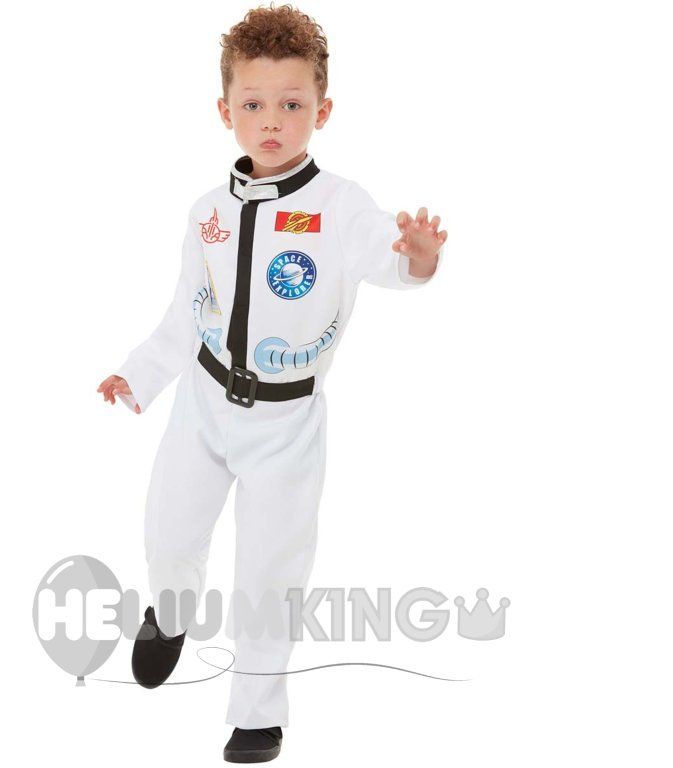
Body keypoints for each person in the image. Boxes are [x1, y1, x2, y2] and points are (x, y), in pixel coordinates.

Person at [97, 3, 446, 762]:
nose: (273, 122)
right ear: (226, 111)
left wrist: (416, 258)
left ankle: (257, 712)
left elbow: (384, 256)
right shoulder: (208, 213)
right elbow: (187, 312)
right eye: (253, 105)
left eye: (292, 104)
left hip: (286, 425)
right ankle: (171, 611)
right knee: (168, 531)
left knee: (269, 570)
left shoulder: (340, 206)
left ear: (323, 109)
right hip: (203, 405)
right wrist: (139, 373)